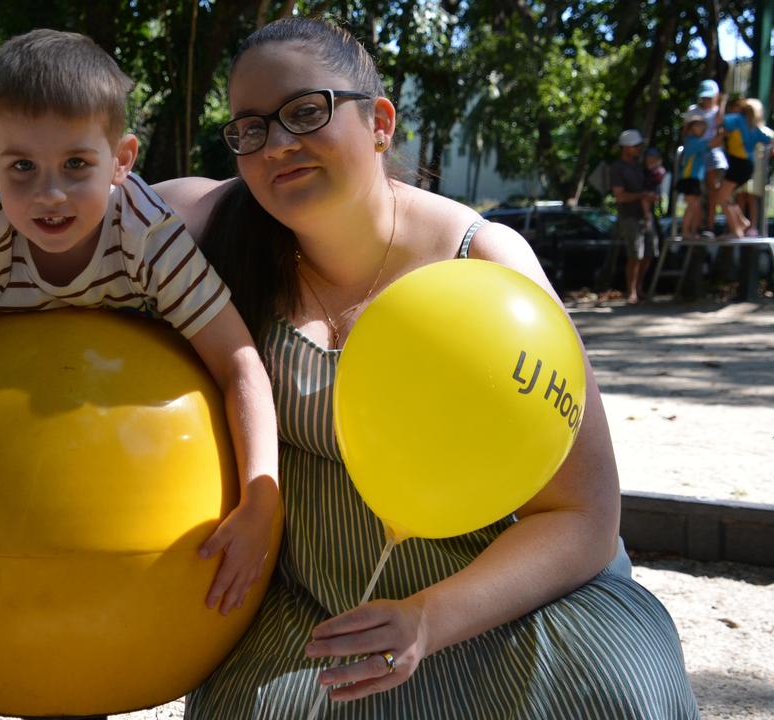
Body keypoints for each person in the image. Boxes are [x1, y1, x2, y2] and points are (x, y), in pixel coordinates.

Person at [154, 17, 698, 719]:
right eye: (250, 128)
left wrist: (426, 620)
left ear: (378, 122)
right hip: (320, 610)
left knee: (609, 699)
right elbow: (81, 200)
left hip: (508, 606)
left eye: (305, 111)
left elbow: (584, 516)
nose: (277, 143)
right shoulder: (228, 236)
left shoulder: (488, 261)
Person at [0, 26, 280, 689]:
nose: (49, 195)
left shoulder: (146, 236)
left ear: (121, 158)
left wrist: (259, 498)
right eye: (22, 168)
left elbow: (238, 359)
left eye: (76, 165)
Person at [610, 128, 659, 304]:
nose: (639, 149)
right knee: (634, 255)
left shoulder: (640, 166)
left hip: (646, 216)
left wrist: (651, 196)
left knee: (649, 253)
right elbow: (620, 196)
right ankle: (631, 292)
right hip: (629, 216)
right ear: (626, 147)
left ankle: (639, 288)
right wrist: (642, 196)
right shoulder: (617, 168)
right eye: (636, 146)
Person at [719, 98, 774, 238]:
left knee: (721, 198)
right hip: (745, 166)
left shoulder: (737, 120)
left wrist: (721, 102)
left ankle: (736, 231)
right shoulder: (752, 125)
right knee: (727, 197)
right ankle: (742, 222)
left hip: (739, 165)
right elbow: (772, 141)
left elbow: (719, 120)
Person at [687, 79, 728, 237]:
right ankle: (694, 226)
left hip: (713, 153)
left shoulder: (718, 112)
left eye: (710, 97)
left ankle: (709, 225)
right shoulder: (693, 111)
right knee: (694, 191)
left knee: (713, 189)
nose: (706, 100)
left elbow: (720, 127)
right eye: (704, 97)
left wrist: (722, 104)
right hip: (697, 154)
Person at [677, 110, 711, 241]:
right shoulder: (691, 141)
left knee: (694, 206)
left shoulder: (696, 141)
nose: (702, 130)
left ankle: (691, 230)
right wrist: (722, 133)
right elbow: (711, 144)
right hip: (689, 178)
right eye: (699, 126)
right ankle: (686, 231)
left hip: (695, 178)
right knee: (692, 206)